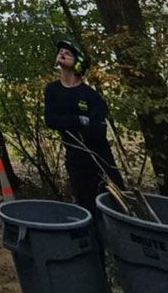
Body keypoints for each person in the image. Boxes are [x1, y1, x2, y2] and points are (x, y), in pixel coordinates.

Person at [44, 39, 123, 213]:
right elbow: (50, 120)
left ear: (79, 63)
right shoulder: (52, 90)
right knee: (86, 204)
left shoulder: (91, 96)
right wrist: (79, 120)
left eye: (68, 53)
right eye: (61, 52)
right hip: (74, 157)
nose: (62, 54)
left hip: (100, 157)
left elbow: (97, 130)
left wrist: (70, 122)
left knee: (117, 201)